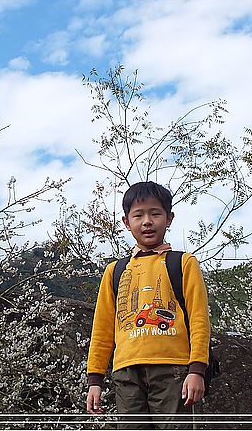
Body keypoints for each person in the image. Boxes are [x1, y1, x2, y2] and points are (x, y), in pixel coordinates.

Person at [85, 181, 211, 429]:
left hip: (172, 370)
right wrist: (95, 380)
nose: (147, 221)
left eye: (155, 213)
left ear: (169, 218)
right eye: (138, 215)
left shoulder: (184, 263)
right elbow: (102, 329)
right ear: (126, 221)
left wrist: (197, 370)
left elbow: (199, 319)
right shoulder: (115, 271)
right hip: (126, 372)